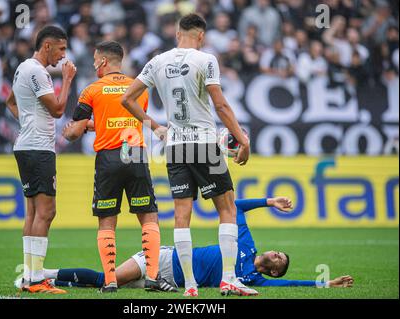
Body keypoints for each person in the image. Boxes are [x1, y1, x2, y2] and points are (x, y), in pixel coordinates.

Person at [122, 13, 251, 297]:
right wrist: (242, 139)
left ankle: (190, 285)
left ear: (178, 33)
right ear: (201, 36)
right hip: (205, 144)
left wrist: (155, 127)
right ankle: (228, 279)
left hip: (176, 146)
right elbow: (221, 106)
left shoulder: (157, 61)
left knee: (182, 215)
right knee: (227, 208)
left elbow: (127, 99)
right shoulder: (206, 60)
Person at [27, 197, 354, 290]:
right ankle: (43, 272)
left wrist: (323, 283)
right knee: (106, 279)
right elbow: (236, 207)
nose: (276, 254)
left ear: (275, 269)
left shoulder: (252, 279)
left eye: (279, 260)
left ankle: (51, 278)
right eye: (279, 252)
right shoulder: (246, 246)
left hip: (167, 284)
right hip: (164, 262)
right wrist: (269, 202)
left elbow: (292, 285)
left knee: (104, 285)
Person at [62, 41, 177, 294]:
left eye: (95, 60)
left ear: (103, 61)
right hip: (134, 154)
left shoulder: (91, 90)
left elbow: (75, 132)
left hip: (108, 158)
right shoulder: (139, 88)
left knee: (107, 222)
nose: (94, 65)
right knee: (148, 217)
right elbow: (129, 118)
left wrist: (72, 130)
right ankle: (153, 277)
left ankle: (111, 281)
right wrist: (99, 124)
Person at [5, 25, 77, 294]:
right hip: (38, 149)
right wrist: (67, 79)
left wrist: (27, 123)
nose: (63, 56)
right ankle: (36, 279)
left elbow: (11, 102)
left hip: (26, 146)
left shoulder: (23, 68)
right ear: (47, 46)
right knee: (47, 212)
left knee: (33, 212)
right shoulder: (38, 71)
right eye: (61, 48)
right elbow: (58, 110)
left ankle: (29, 276)